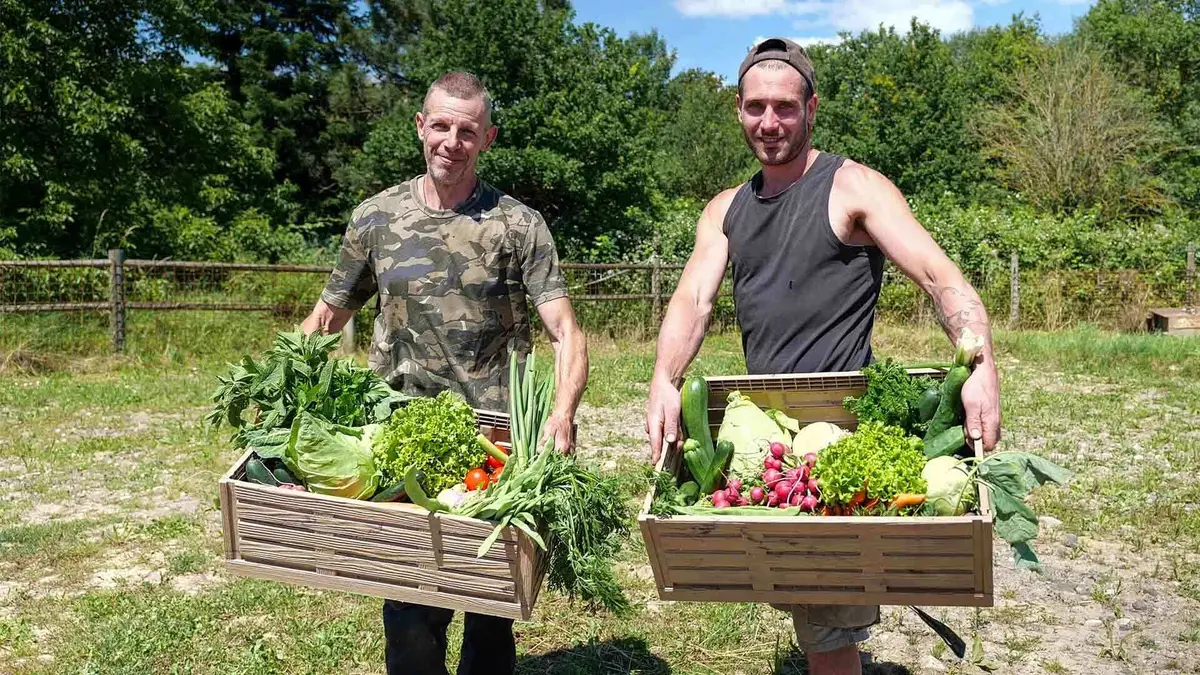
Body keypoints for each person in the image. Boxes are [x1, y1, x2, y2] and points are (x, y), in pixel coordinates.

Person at [643, 38, 1001, 675]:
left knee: (825, 624)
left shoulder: (853, 186)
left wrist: (979, 366)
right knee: (808, 605)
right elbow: (693, 301)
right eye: (756, 108)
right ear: (738, 109)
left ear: (812, 107)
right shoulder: (726, 209)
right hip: (772, 441)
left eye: (785, 107)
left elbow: (941, 279)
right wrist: (664, 380)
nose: (770, 123)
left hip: (837, 436)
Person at [299, 70, 588, 675]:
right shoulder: (375, 219)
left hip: (495, 440)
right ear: (420, 128)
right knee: (408, 615)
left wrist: (560, 416)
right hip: (398, 434)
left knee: (489, 613)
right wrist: (282, 380)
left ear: (487, 138)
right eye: (441, 126)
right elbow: (329, 316)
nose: (451, 141)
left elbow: (565, 330)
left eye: (467, 130)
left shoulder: (518, 224)